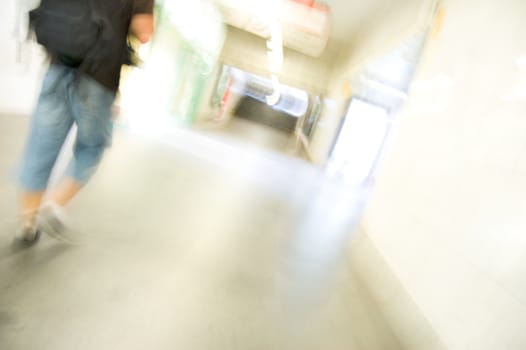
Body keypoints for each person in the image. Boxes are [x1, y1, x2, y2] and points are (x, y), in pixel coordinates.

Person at [15, 0, 155, 243]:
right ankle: (54, 204)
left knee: (40, 147)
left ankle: (28, 223)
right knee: (92, 148)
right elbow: (144, 32)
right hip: (98, 76)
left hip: (58, 66)